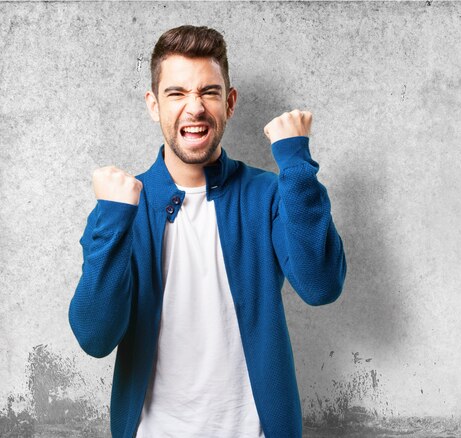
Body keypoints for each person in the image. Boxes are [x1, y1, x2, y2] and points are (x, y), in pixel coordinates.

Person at [68, 25, 347, 438]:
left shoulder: (269, 194)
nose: (194, 108)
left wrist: (296, 165)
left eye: (209, 92)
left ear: (229, 103)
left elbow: (320, 286)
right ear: (153, 105)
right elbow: (94, 336)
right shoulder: (124, 207)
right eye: (177, 93)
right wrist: (112, 217)